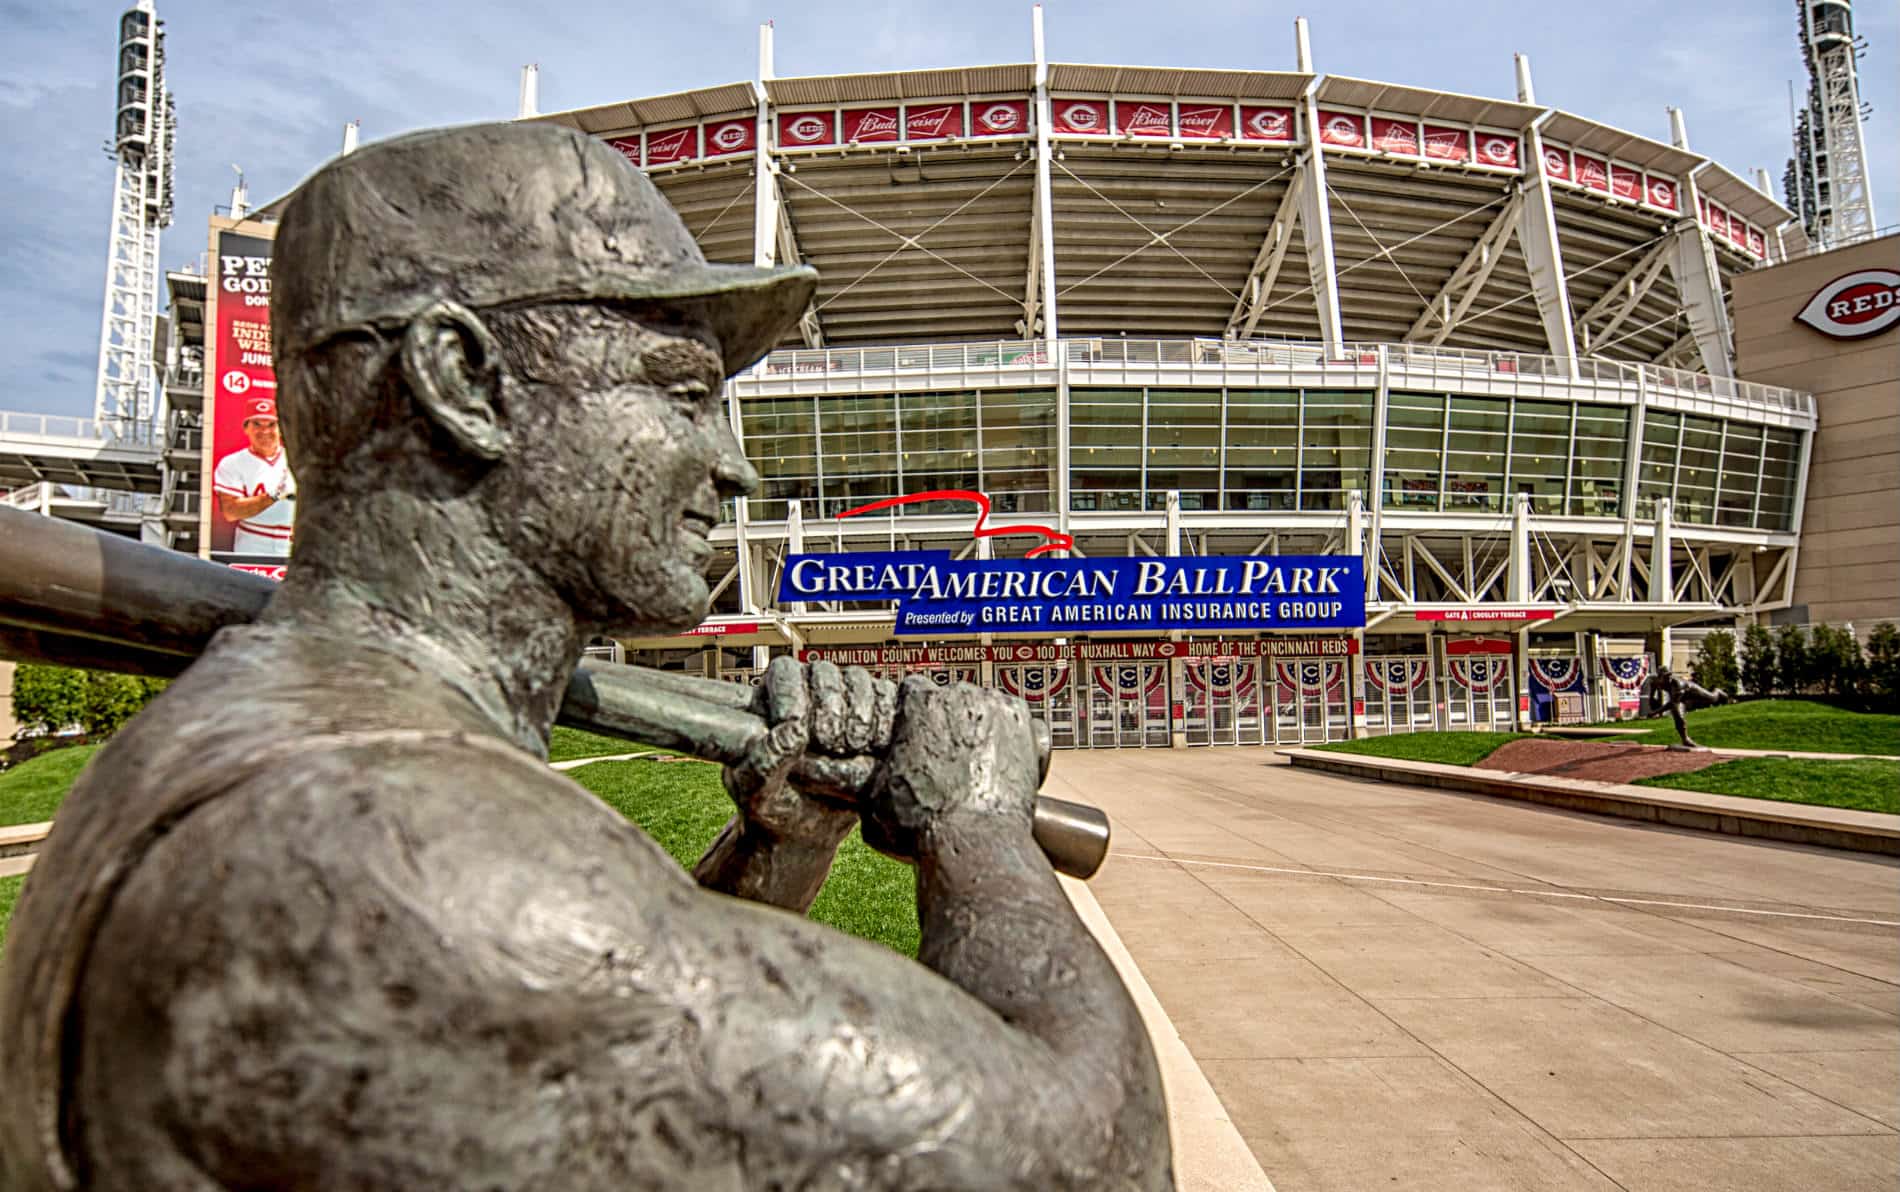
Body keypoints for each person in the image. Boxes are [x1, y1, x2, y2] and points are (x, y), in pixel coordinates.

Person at [0, 123, 1169, 1190]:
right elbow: (1086, 1153)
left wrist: (785, 839)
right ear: (463, 382)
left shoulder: (316, 765)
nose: (733, 468)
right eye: (682, 393)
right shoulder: (395, 845)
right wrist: (975, 827)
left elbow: (644, 1059)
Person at [210, 395, 296, 555]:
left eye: (271, 424)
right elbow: (231, 511)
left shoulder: (297, 458)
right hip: (253, 540)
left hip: (291, 542)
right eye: (257, 424)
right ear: (246, 428)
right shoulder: (232, 462)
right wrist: (275, 495)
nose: (264, 431)